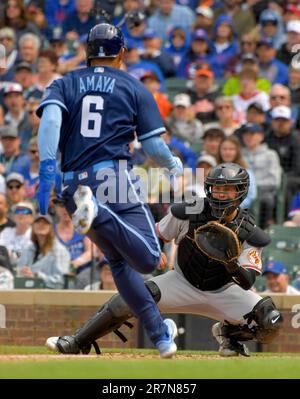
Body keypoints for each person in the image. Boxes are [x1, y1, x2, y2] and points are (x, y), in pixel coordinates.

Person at [38, 23, 183, 358]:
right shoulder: (133, 87)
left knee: (119, 263)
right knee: (147, 258)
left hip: (72, 184)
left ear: (88, 52)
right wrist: (174, 165)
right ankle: (100, 214)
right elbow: (153, 148)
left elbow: (50, 122)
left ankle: (161, 337)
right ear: (121, 52)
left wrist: (47, 168)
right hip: (112, 179)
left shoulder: (64, 82)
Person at [45, 163, 282, 357]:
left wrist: (231, 262)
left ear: (240, 192)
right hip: (182, 281)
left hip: (225, 289)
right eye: (216, 188)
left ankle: (229, 334)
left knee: (271, 321)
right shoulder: (189, 212)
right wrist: (154, 249)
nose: (220, 194)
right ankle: (78, 342)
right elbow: (155, 233)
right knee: (128, 297)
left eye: (227, 190)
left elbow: (248, 280)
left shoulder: (251, 232)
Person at [17, 213, 71, 289]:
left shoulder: (60, 251)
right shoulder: (27, 249)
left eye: (45, 222)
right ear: (33, 226)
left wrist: (37, 276)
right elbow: (18, 274)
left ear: (51, 228)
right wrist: (21, 273)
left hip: (49, 296)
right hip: (26, 293)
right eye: (37, 222)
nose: (41, 225)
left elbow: (61, 282)